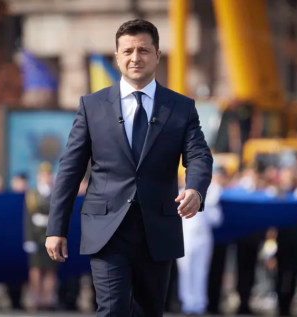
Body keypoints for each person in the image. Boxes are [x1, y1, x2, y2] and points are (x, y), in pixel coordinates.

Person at [45, 19, 213, 317]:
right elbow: (70, 169)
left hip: (157, 229)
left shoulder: (181, 107)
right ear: (117, 56)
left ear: (158, 55)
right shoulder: (91, 106)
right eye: (128, 51)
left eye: (144, 50)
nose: (136, 57)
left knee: (148, 312)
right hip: (107, 229)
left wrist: (196, 190)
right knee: (113, 310)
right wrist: (56, 228)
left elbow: (199, 155)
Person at [177, 166, 224, 315]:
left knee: (201, 271)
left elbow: (217, 220)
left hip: (203, 236)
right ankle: (187, 303)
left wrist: (211, 203)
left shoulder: (209, 196)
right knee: (185, 271)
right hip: (187, 236)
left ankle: (199, 303)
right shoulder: (179, 193)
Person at [24, 162, 58, 311]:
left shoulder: (56, 193)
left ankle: (48, 299)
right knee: (36, 269)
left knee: (51, 269)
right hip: (37, 234)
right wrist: (28, 239)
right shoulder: (33, 194)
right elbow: (27, 218)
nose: (46, 177)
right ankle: (36, 298)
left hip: (51, 233)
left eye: (48, 174)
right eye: (44, 174)